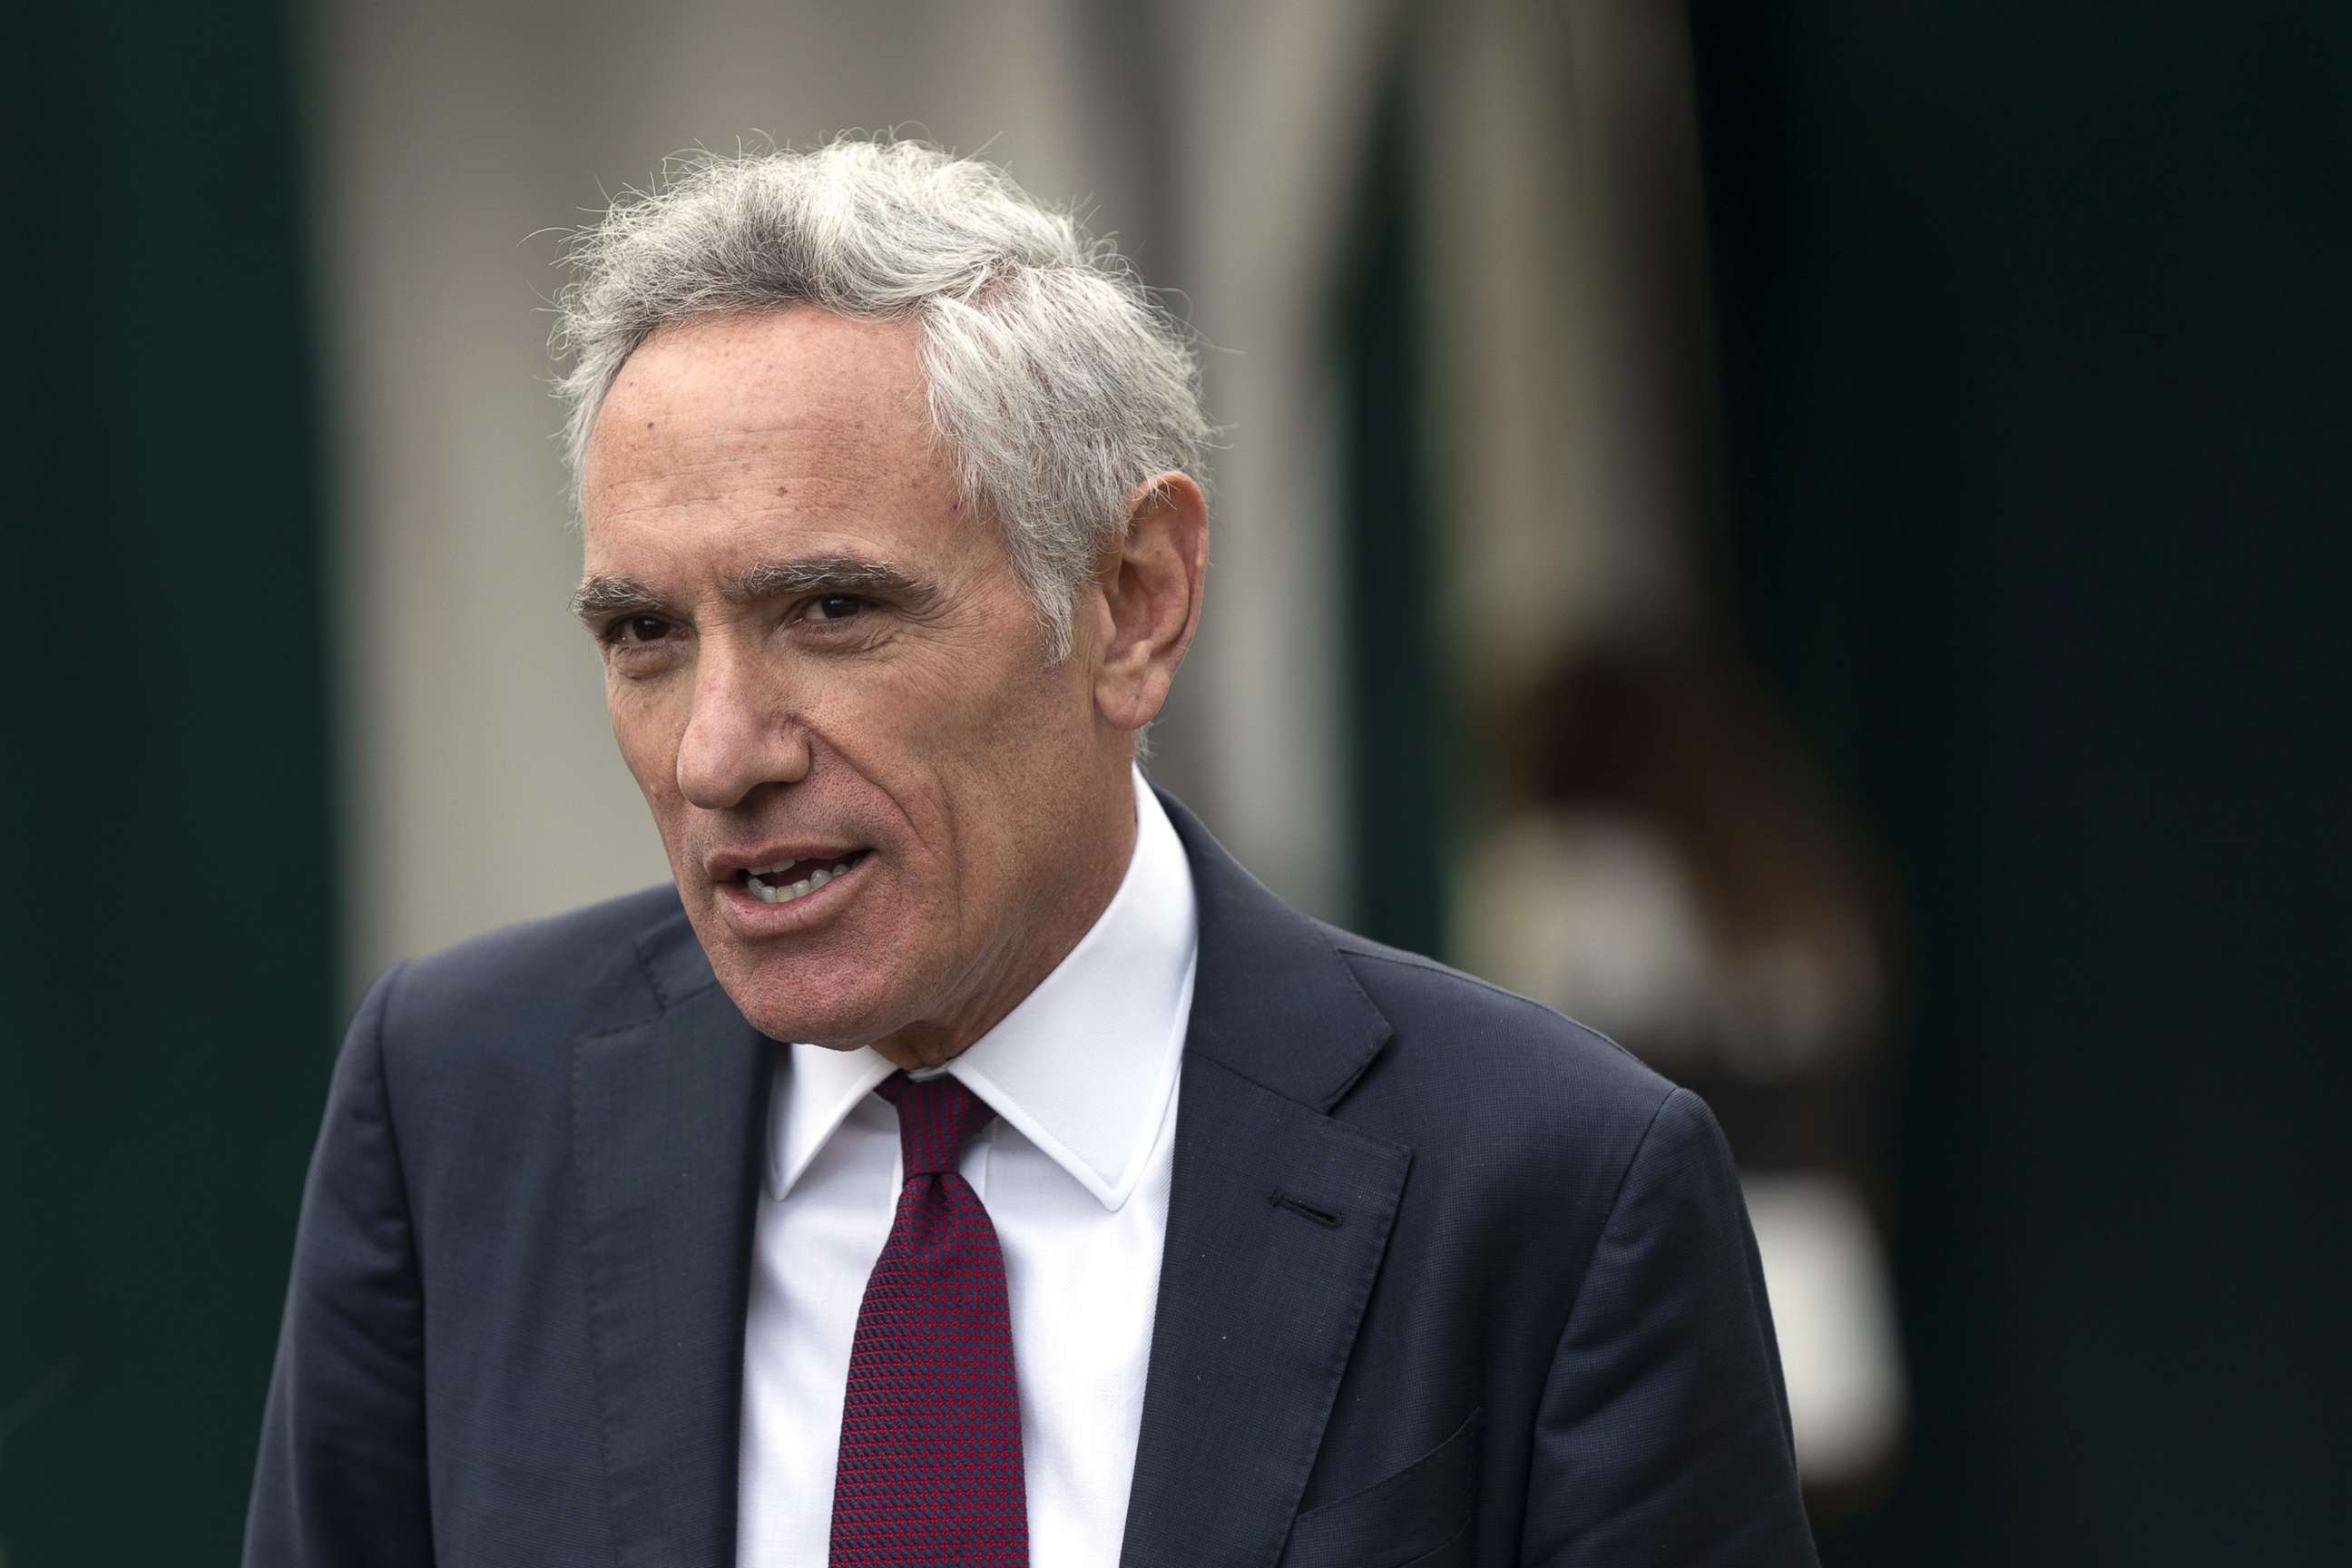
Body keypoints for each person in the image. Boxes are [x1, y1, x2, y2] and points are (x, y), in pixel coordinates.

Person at [244, 137, 1818, 1568]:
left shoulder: (1550, 1186)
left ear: (1134, 600)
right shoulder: (458, 1103)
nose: (719, 751)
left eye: (833, 611)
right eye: (647, 634)